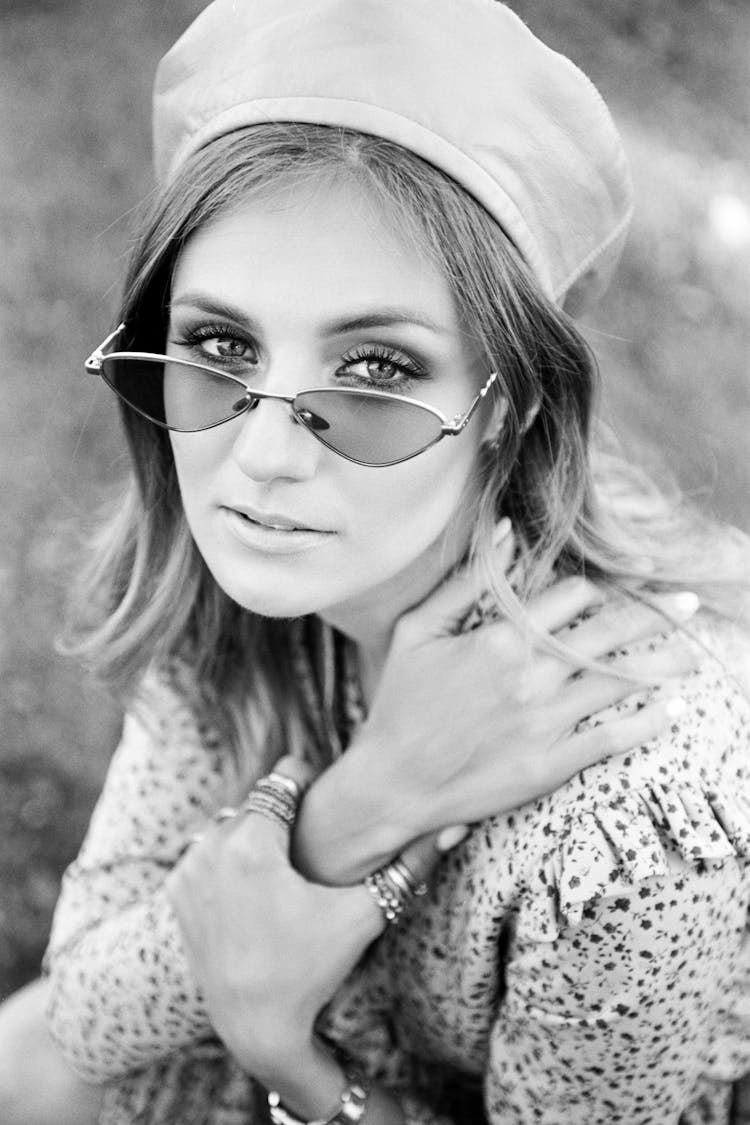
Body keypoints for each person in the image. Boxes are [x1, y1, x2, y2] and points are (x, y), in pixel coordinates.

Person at [2, 0, 750, 1122]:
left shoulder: (633, 808)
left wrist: (290, 1065)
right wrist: (359, 806)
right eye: (220, 346)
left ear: (512, 405)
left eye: (375, 371)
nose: (257, 459)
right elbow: (67, 1030)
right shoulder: (242, 599)